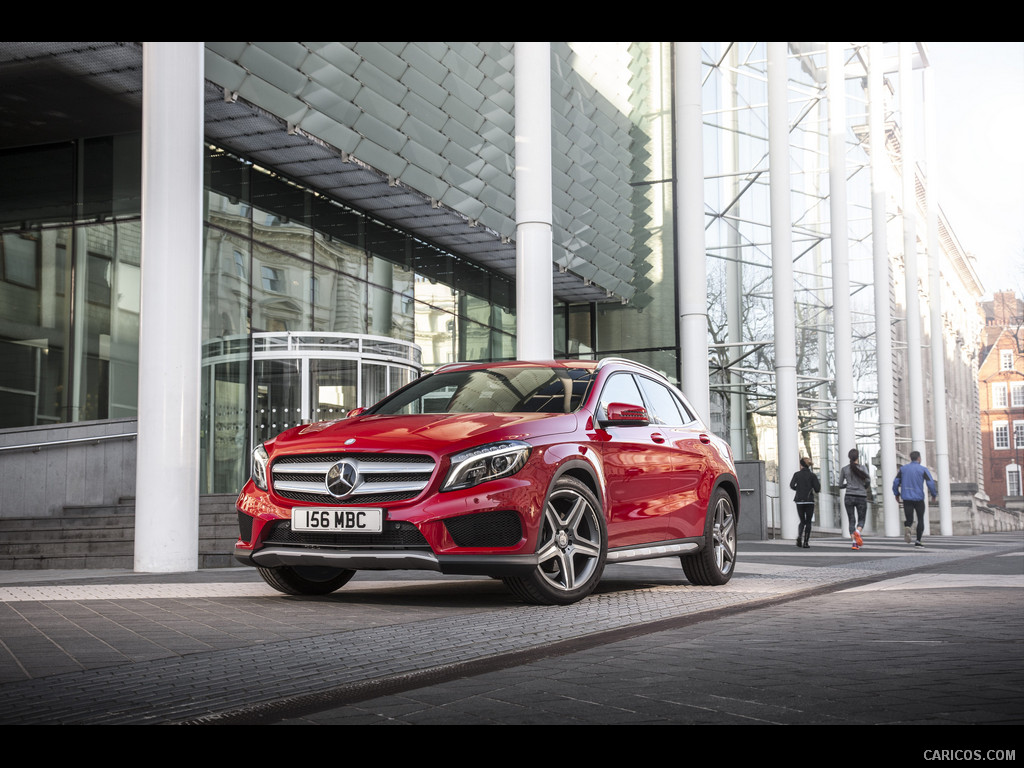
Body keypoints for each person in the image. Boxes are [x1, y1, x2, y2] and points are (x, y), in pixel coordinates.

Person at [893, 450, 937, 548]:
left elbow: (896, 482)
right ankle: (918, 541)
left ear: (910, 458)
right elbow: (930, 483)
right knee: (920, 519)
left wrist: (896, 493)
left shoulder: (903, 469)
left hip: (907, 498)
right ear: (919, 458)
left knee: (909, 518)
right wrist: (933, 494)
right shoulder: (923, 470)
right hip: (918, 498)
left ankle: (908, 526)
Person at [839, 448, 871, 550]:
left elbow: (840, 485)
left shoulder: (844, 469)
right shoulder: (863, 468)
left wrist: (848, 485)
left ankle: (854, 543)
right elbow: (868, 481)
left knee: (851, 520)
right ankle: (857, 532)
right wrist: (864, 487)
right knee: (861, 519)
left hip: (849, 496)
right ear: (858, 457)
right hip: (861, 496)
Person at [790, 456, 820, 548]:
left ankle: (799, 536)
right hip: (809, 501)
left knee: (802, 521)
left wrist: (798, 489)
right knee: (808, 522)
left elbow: (791, 485)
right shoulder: (812, 476)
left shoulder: (797, 474)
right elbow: (817, 489)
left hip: (799, 501)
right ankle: (806, 542)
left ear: (801, 465)